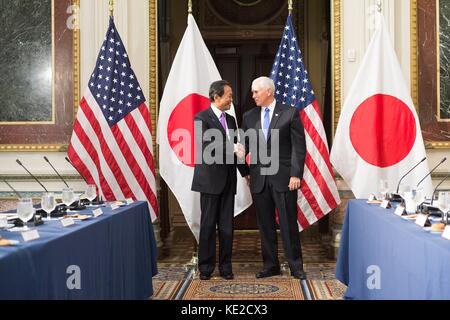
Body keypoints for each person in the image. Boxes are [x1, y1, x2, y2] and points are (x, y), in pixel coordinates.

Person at [241, 76, 307, 280]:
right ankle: (271, 265)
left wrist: (296, 174)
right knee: (265, 225)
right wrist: (244, 167)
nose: (253, 96)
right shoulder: (249, 116)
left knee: (288, 223)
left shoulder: (290, 112)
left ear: (268, 91)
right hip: (260, 178)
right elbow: (246, 146)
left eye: (256, 92)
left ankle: (296, 266)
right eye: (253, 92)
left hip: (284, 178)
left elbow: (299, 146)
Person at [191, 80, 248, 280]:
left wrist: (245, 172)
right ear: (216, 97)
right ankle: (205, 268)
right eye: (229, 96)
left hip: (228, 181)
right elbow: (207, 142)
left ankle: (226, 267)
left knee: (226, 227)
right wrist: (231, 148)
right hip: (208, 181)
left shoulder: (231, 120)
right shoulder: (201, 118)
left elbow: (236, 149)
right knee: (207, 226)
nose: (232, 99)